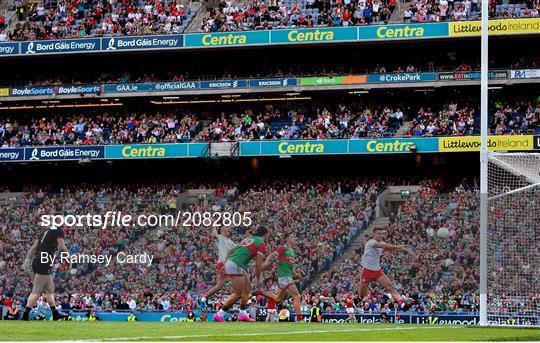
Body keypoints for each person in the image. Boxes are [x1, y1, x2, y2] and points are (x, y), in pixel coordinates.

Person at [213, 226, 267, 323]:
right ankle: (220, 314)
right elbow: (258, 264)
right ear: (266, 235)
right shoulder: (261, 243)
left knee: (247, 289)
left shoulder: (247, 239)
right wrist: (258, 279)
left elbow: (230, 250)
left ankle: (242, 314)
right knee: (238, 294)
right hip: (236, 264)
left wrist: (226, 264)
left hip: (233, 262)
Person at [359, 228, 415, 310]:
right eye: (379, 234)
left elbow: (393, 248)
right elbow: (383, 246)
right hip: (367, 271)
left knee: (391, 287)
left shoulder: (382, 243)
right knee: (362, 293)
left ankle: (403, 305)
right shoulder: (371, 242)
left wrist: (407, 251)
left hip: (377, 271)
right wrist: (397, 246)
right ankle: (362, 302)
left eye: (382, 234)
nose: (381, 235)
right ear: (374, 234)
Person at [21, 226, 69, 321]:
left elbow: (33, 248)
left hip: (37, 260)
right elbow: (61, 246)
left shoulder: (44, 232)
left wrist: (27, 260)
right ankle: (25, 315)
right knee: (36, 291)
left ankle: (55, 314)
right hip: (44, 261)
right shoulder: (58, 231)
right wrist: (69, 257)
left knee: (50, 289)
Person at [260, 233, 303, 322]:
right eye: (292, 237)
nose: (294, 238)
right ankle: (300, 319)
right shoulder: (284, 248)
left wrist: (295, 273)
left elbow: (291, 265)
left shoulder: (292, 251)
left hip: (288, 276)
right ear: (287, 239)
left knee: (278, 298)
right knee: (297, 296)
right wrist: (267, 262)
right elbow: (272, 254)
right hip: (284, 276)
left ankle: (260, 292)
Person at [202, 227, 237, 302]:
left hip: (229, 263)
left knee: (219, 286)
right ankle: (233, 300)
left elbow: (238, 249)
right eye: (225, 229)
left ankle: (204, 298)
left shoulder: (230, 241)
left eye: (228, 229)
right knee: (237, 280)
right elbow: (214, 234)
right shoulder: (220, 238)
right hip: (224, 263)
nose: (227, 230)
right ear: (221, 231)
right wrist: (214, 226)